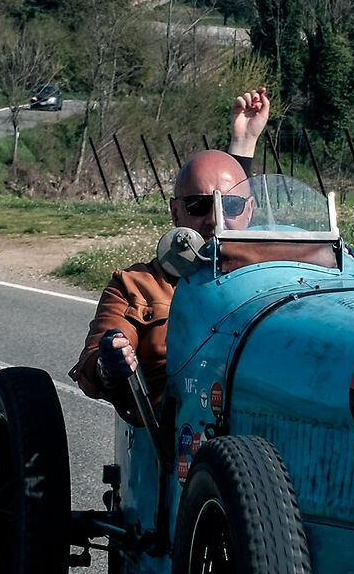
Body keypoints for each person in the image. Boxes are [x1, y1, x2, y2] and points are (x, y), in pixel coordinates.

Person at [71, 90, 270, 424]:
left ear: (249, 212)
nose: (215, 219)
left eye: (231, 207)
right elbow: (93, 363)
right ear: (176, 212)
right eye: (198, 206)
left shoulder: (274, 277)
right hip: (179, 442)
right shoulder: (136, 285)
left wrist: (245, 140)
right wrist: (110, 363)